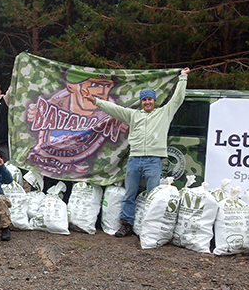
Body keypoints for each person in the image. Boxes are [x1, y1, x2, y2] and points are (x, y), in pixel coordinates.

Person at [81, 67, 190, 237]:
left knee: (152, 197)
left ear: (155, 101)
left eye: (150, 99)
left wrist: (183, 78)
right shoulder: (133, 115)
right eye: (144, 100)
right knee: (129, 195)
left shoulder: (164, 113)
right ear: (141, 102)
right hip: (134, 160)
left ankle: (150, 228)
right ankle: (127, 224)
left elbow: (178, 99)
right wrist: (94, 101)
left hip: (153, 161)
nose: (147, 102)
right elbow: (113, 109)